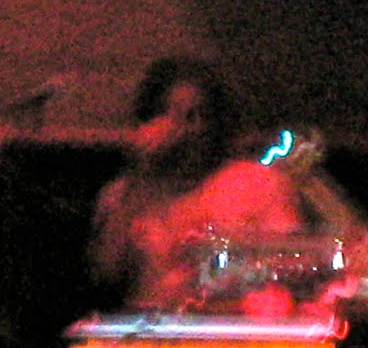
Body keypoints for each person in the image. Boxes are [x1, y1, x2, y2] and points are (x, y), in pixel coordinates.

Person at [88, 55, 311, 312]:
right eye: (171, 115)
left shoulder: (257, 183)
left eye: (196, 116)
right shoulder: (126, 192)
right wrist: (141, 174)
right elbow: (107, 273)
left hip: (231, 325)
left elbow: (290, 267)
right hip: (151, 325)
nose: (185, 130)